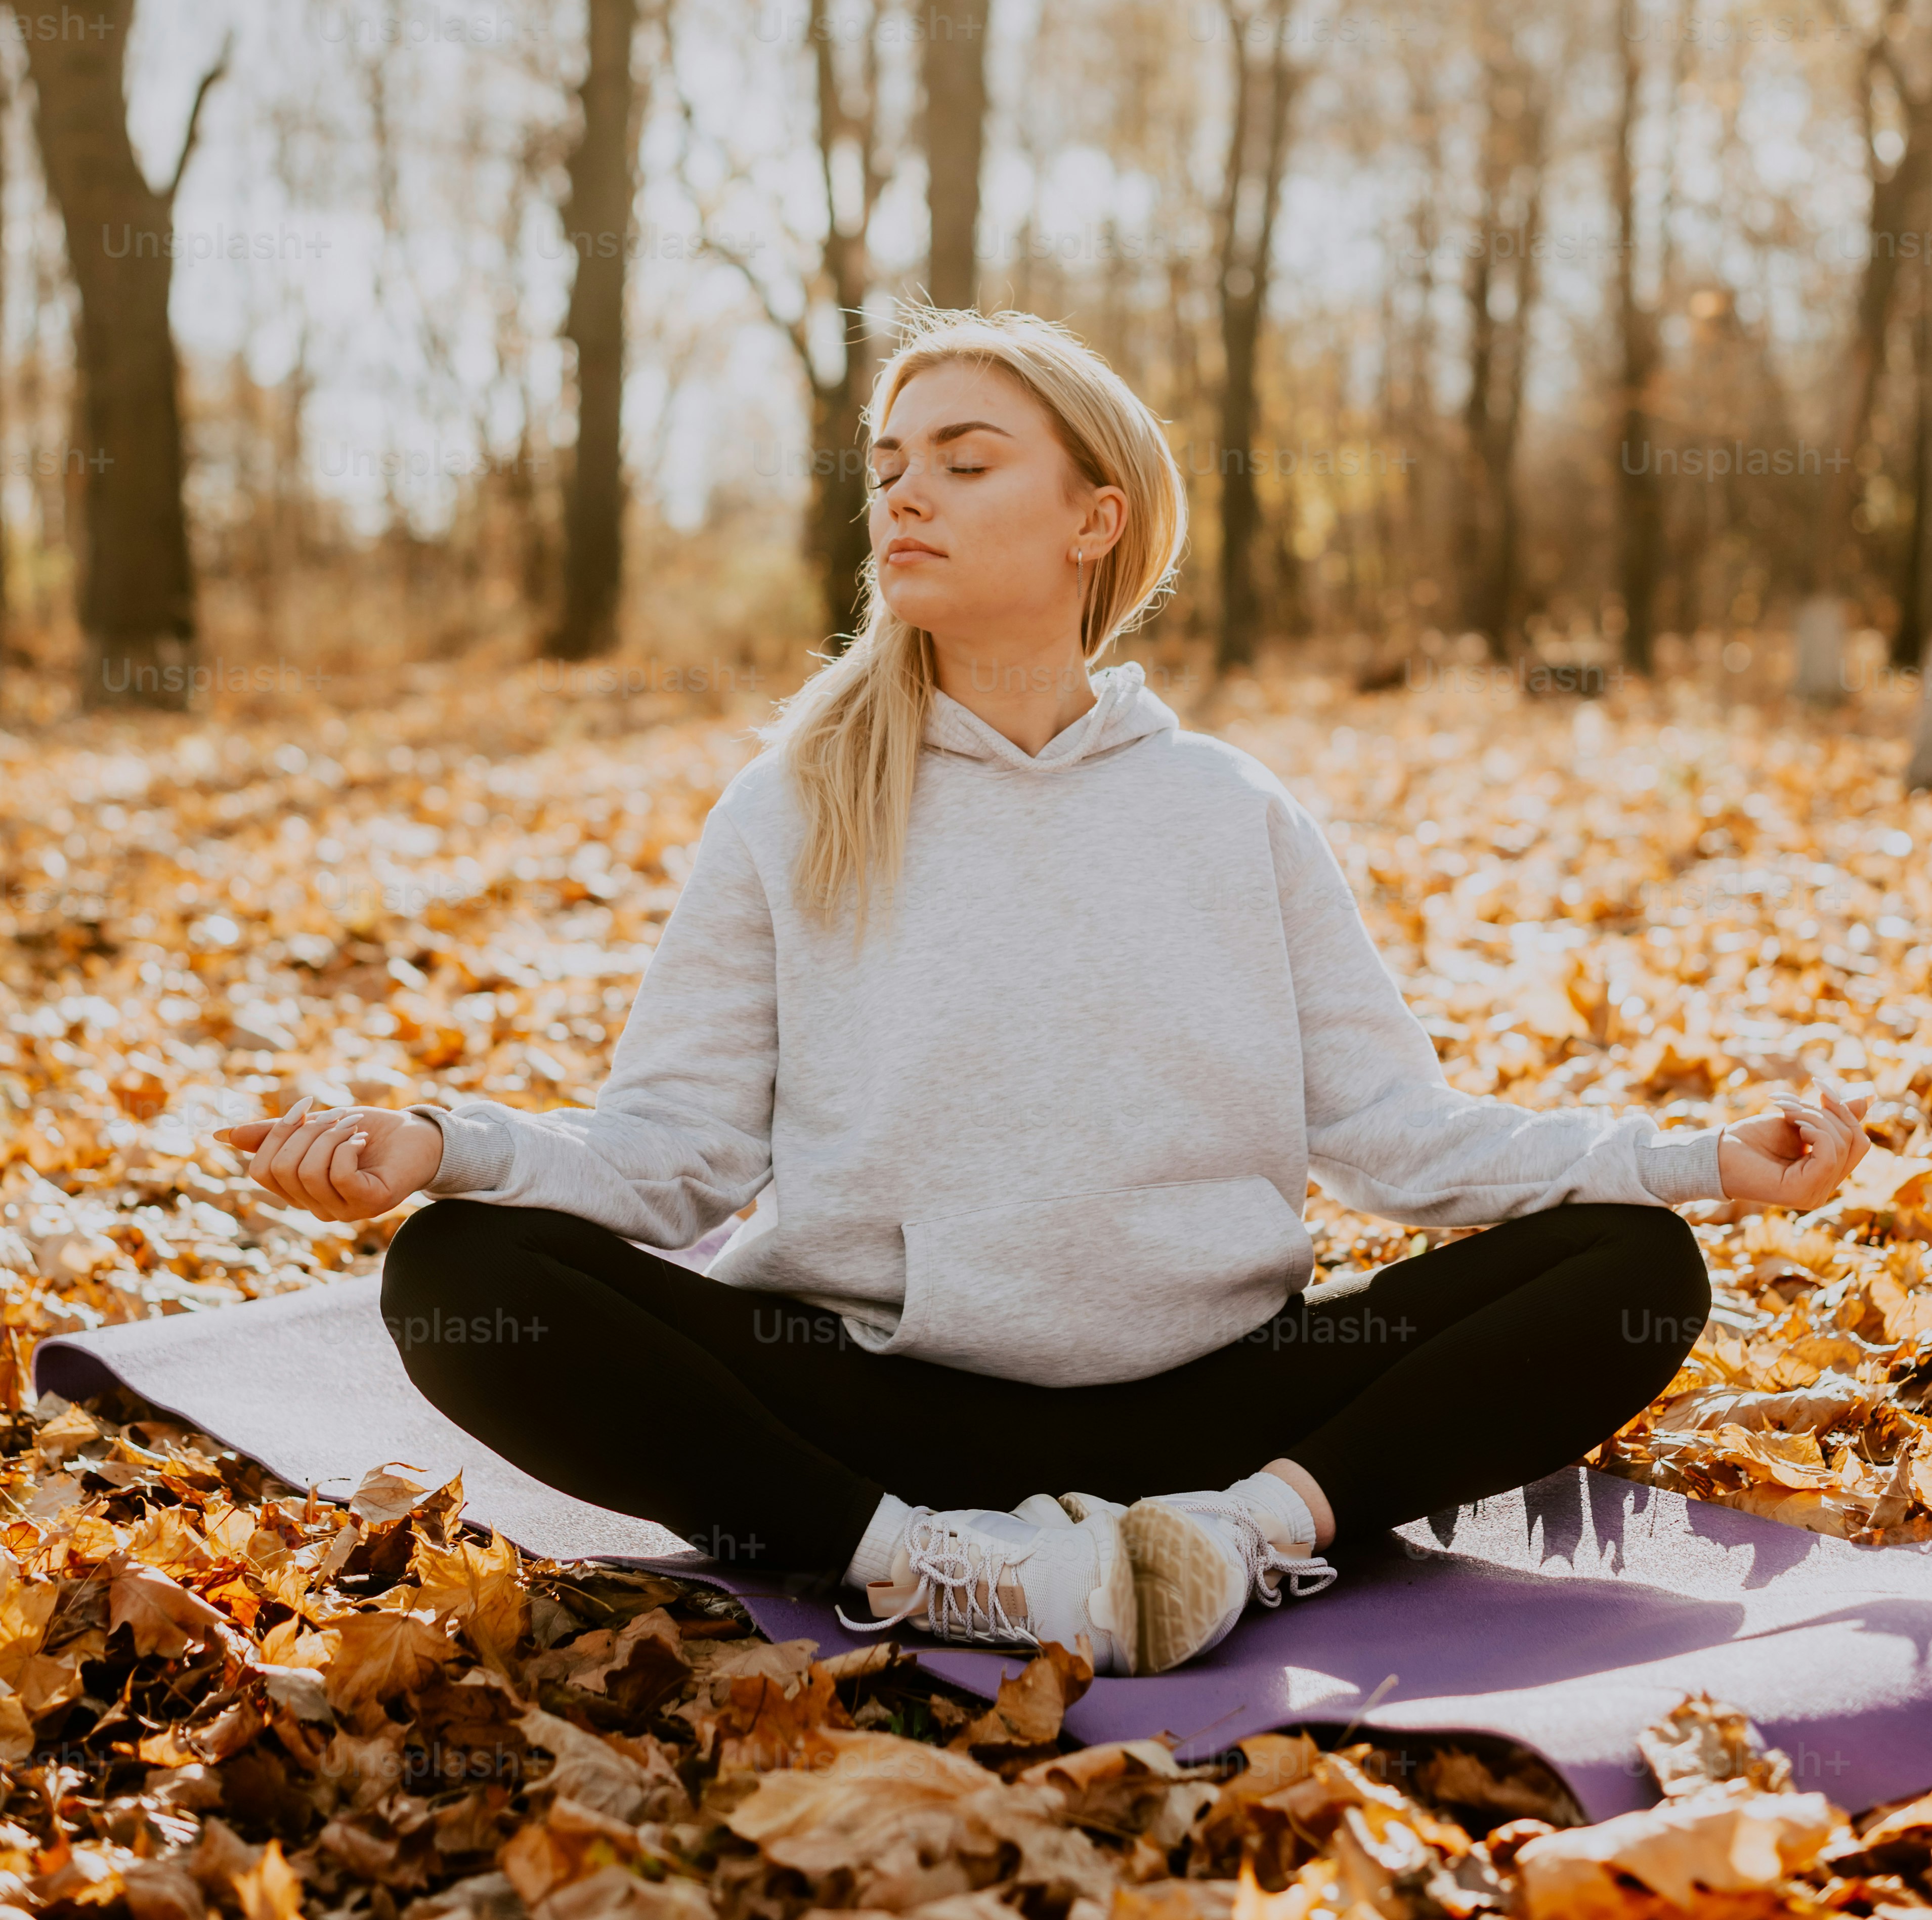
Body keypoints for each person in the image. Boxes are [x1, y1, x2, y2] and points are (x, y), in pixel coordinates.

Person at [220, 309, 1871, 1677]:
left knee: (1627, 1268)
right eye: (887, 468)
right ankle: (946, 1575)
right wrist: (440, 1144)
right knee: (459, 1273)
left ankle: (1244, 1540)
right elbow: (673, 1163)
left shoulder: (1231, 811)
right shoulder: (793, 802)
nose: (903, 498)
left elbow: (1394, 1140)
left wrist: (1698, 1161)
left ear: (1096, 517)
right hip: (878, 1417)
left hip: (1220, 1408)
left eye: (962, 459)